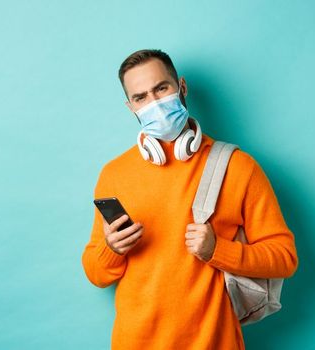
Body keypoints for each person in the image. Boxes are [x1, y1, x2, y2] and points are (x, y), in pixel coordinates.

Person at [81, 49, 299, 349]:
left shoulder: (238, 166)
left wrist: (217, 250)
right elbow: (95, 273)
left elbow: (285, 258)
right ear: (130, 106)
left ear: (181, 87)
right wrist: (111, 249)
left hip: (215, 342)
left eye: (161, 88)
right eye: (141, 97)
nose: (154, 103)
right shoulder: (114, 174)